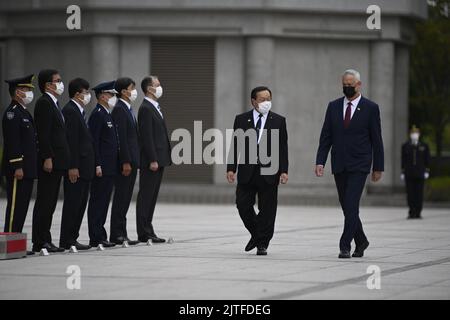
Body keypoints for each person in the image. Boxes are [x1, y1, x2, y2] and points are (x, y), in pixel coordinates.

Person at [315, 69, 384, 259]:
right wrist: (320, 161)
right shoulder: (334, 106)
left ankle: (345, 244)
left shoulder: (370, 108)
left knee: (352, 203)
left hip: (360, 164)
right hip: (339, 163)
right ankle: (361, 240)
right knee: (346, 205)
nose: (347, 87)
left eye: (350, 84)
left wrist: (378, 167)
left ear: (359, 85)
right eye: (344, 84)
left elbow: (377, 139)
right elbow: (326, 137)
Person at [226, 86, 289, 256]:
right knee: (242, 204)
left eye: (268, 98)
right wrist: (231, 168)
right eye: (262, 99)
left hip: (270, 171)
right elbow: (235, 144)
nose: (266, 102)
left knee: (268, 209)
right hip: (247, 171)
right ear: (253, 101)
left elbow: (283, 148)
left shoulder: (279, 120)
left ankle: (262, 244)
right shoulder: (241, 119)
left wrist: (284, 170)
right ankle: (256, 234)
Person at [32, 69, 69, 253]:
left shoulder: (54, 103)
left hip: (58, 162)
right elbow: (44, 134)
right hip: (50, 162)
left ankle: (45, 238)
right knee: (45, 201)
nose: (61, 83)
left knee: (51, 202)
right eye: (57, 80)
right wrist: (47, 157)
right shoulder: (44, 103)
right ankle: (40, 240)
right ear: (48, 84)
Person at [1, 75, 37, 255]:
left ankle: (17, 245)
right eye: (27, 90)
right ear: (18, 92)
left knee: (22, 207)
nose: (30, 93)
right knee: (15, 207)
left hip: (28, 168)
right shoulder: (12, 113)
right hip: (18, 169)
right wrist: (18, 166)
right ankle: (8, 245)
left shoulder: (24, 112)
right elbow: (13, 142)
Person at [59, 78, 95, 250]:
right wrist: (72, 166)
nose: (88, 95)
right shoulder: (71, 111)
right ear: (77, 94)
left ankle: (73, 237)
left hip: (85, 167)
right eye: (85, 92)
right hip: (77, 168)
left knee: (80, 204)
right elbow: (71, 142)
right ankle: (67, 239)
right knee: (73, 204)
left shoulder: (79, 111)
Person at [136, 76, 171, 243]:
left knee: (152, 197)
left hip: (159, 159)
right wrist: (152, 159)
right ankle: (143, 232)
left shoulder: (155, 107)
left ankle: (148, 229)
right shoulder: (145, 108)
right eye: (157, 85)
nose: (160, 87)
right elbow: (147, 136)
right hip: (152, 161)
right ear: (149, 89)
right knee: (146, 196)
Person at [87, 81, 119, 248]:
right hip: (102, 167)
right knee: (98, 202)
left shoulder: (107, 114)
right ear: (102, 96)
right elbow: (95, 143)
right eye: (111, 95)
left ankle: (101, 234)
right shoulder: (98, 114)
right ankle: (95, 236)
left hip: (110, 167)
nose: (114, 98)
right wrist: (97, 164)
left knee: (104, 202)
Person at [110, 77, 140, 245]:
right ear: (123, 91)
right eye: (131, 88)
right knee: (121, 198)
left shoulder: (128, 109)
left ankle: (123, 232)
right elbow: (121, 138)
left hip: (132, 161)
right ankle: (117, 234)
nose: (134, 91)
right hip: (125, 164)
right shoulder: (120, 110)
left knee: (126, 198)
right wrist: (125, 162)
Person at [401, 125, 431, 219]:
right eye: (413, 133)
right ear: (410, 134)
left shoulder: (424, 146)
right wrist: (402, 171)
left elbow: (427, 159)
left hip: (420, 173)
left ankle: (418, 212)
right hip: (409, 173)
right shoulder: (406, 146)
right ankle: (411, 211)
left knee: (419, 193)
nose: (414, 135)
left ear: (419, 134)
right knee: (410, 194)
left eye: (416, 133)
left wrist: (427, 170)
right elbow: (403, 160)